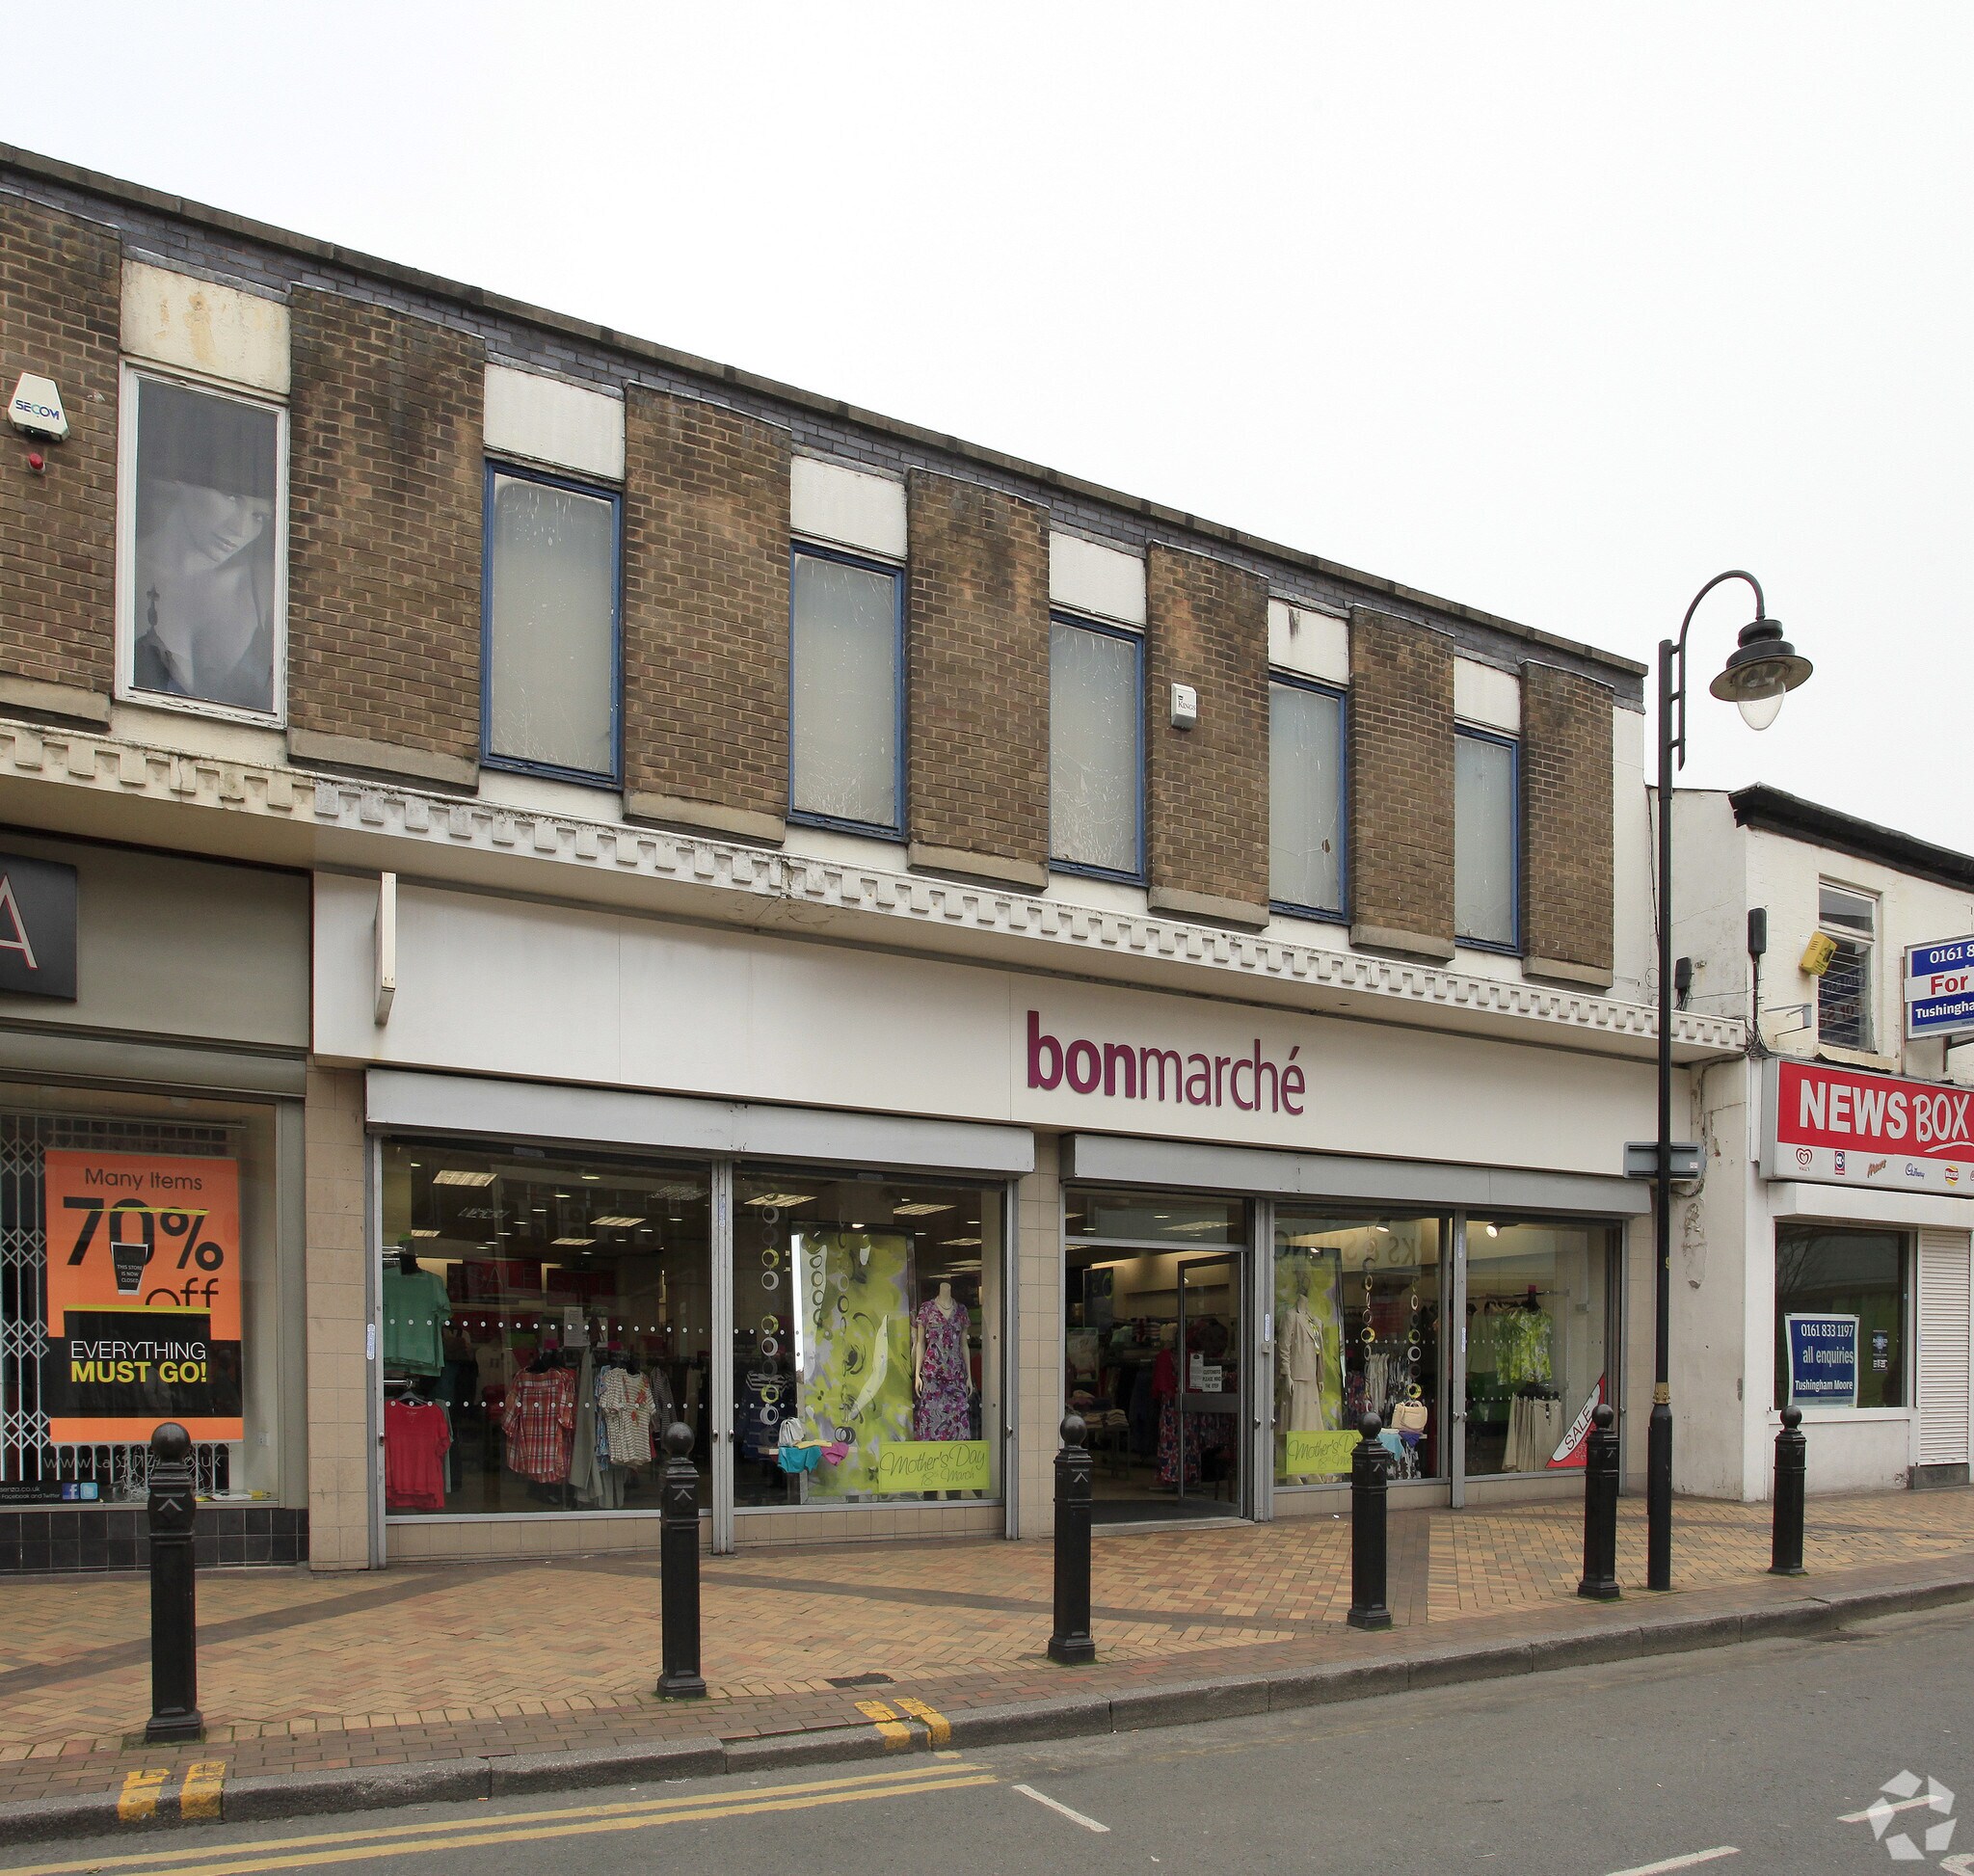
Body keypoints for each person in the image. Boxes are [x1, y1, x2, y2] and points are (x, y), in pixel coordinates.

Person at [131, 380, 278, 713]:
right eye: (231, 498)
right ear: (182, 479)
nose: (239, 529)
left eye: (259, 516)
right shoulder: (123, 567)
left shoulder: (265, 587)